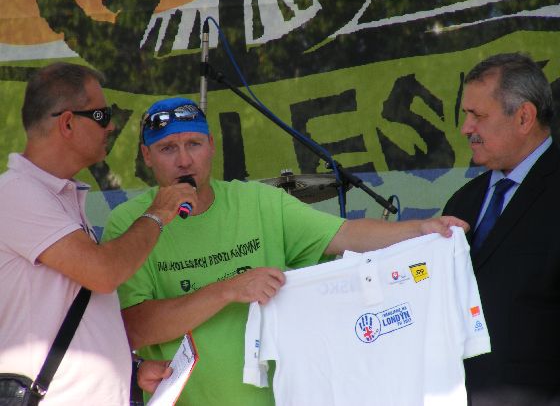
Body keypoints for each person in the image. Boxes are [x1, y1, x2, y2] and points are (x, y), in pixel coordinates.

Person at [102, 96, 469, 406]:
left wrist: (419, 229)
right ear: (147, 156)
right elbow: (135, 328)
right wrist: (229, 290)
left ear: (212, 145)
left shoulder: (259, 202)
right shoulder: (132, 223)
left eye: (194, 144)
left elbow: (345, 234)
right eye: (168, 148)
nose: (184, 160)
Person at [0, 62, 194, 404]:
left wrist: (131, 369)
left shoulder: (55, 196)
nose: (112, 126)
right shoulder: (15, 193)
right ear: (67, 123)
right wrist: (159, 212)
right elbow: (104, 273)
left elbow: (67, 310)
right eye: (102, 116)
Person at [443, 52, 560, 405]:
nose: (466, 128)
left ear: (524, 117)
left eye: (477, 115)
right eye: (465, 115)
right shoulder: (462, 201)